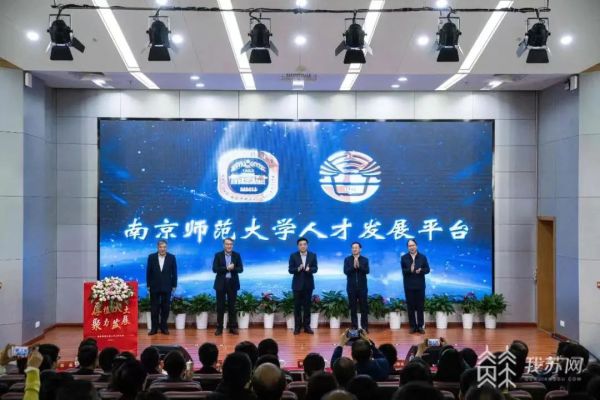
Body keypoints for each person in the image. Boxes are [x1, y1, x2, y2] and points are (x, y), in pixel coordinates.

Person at [146, 239, 178, 336]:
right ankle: (154, 329)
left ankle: (164, 327)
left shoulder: (172, 257)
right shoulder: (151, 257)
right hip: (154, 286)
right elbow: (148, 272)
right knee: (154, 308)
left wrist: (174, 285)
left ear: (166, 247)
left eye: (164, 247)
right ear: (158, 247)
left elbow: (174, 272)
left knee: (165, 308)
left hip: (167, 286)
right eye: (161, 247)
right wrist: (148, 285)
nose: (162, 249)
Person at [213, 237, 243, 336]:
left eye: (230, 244)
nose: (229, 246)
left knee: (232, 307)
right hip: (221, 284)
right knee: (220, 307)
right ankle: (219, 328)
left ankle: (232, 328)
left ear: (232, 245)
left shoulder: (237, 255)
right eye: (227, 244)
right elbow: (214, 269)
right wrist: (226, 268)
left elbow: (240, 269)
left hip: (232, 283)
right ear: (224, 245)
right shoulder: (218, 255)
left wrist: (233, 268)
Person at [288, 237, 318, 335]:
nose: (303, 246)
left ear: (307, 245)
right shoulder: (293, 255)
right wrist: (297, 269)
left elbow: (315, 268)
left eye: (304, 244)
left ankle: (307, 327)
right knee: (297, 307)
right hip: (297, 285)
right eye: (300, 244)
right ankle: (297, 327)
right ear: (298, 246)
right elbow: (290, 270)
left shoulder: (312, 255)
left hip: (308, 285)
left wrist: (310, 269)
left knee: (307, 307)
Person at [401, 239, 430, 334]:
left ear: (416, 246)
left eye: (413, 245)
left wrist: (421, 271)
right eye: (409, 246)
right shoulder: (404, 258)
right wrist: (410, 269)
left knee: (420, 306)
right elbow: (403, 271)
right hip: (408, 286)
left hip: (420, 285)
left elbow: (427, 269)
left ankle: (420, 326)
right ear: (407, 247)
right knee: (410, 307)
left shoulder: (422, 257)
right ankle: (413, 326)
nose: (411, 247)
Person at [344, 242, 370, 332]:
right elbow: (345, 271)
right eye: (353, 248)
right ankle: (354, 327)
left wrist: (359, 266)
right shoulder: (347, 259)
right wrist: (353, 267)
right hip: (351, 287)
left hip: (362, 287)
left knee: (364, 308)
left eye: (356, 247)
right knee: (353, 308)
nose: (354, 249)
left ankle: (364, 327)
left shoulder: (365, 260)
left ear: (360, 249)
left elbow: (367, 271)